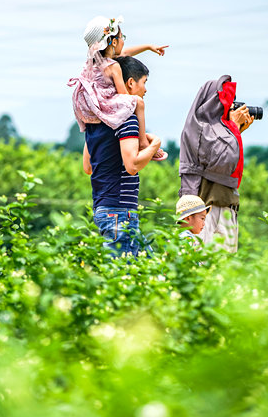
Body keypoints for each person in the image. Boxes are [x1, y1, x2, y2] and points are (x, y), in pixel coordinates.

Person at [82, 56, 161, 257]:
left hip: (103, 209)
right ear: (131, 83)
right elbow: (132, 165)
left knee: (150, 266)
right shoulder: (126, 120)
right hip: (119, 211)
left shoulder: (96, 120)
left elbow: (88, 167)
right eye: (144, 83)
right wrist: (155, 145)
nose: (145, 90)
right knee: (121, 276)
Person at [69, 15, 169, 161]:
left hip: (93, 104)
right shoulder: (114, 66)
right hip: (106, 102)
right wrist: (131, 102)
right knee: (138, 103)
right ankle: (142, 142)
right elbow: (124, 95)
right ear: (114, 41)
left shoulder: (95, 61)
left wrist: (148, 47)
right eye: (122, 38)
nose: (123, 42)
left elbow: (125, 53)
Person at [179, 75, 255, 252]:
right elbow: (222, 159)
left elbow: (226, 162)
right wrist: (233, 128)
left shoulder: (220, 131)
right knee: (204, 265)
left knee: (225, 271)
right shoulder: (198, 128)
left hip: (227, 206)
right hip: (206, 210)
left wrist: (236, 132)